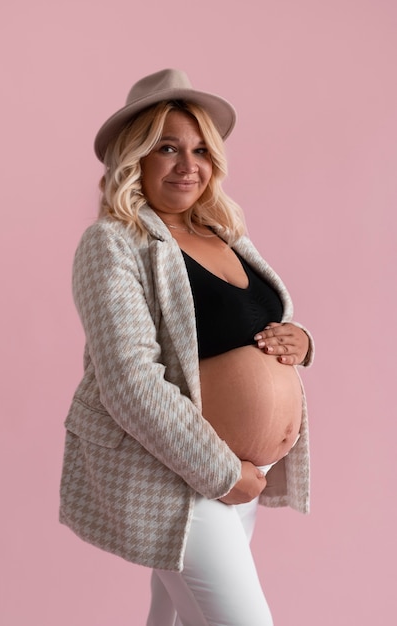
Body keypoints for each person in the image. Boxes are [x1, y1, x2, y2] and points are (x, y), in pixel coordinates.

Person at [59, 69, 314, 626]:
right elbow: (129, 381)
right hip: (184, 475)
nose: (187, 164)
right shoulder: (113, 242)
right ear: (136, 158)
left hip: (242, 469)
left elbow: (256, 323)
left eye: (200, 149)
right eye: (167, 147)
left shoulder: (225, 234)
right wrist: (221, 473)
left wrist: (302, 339)